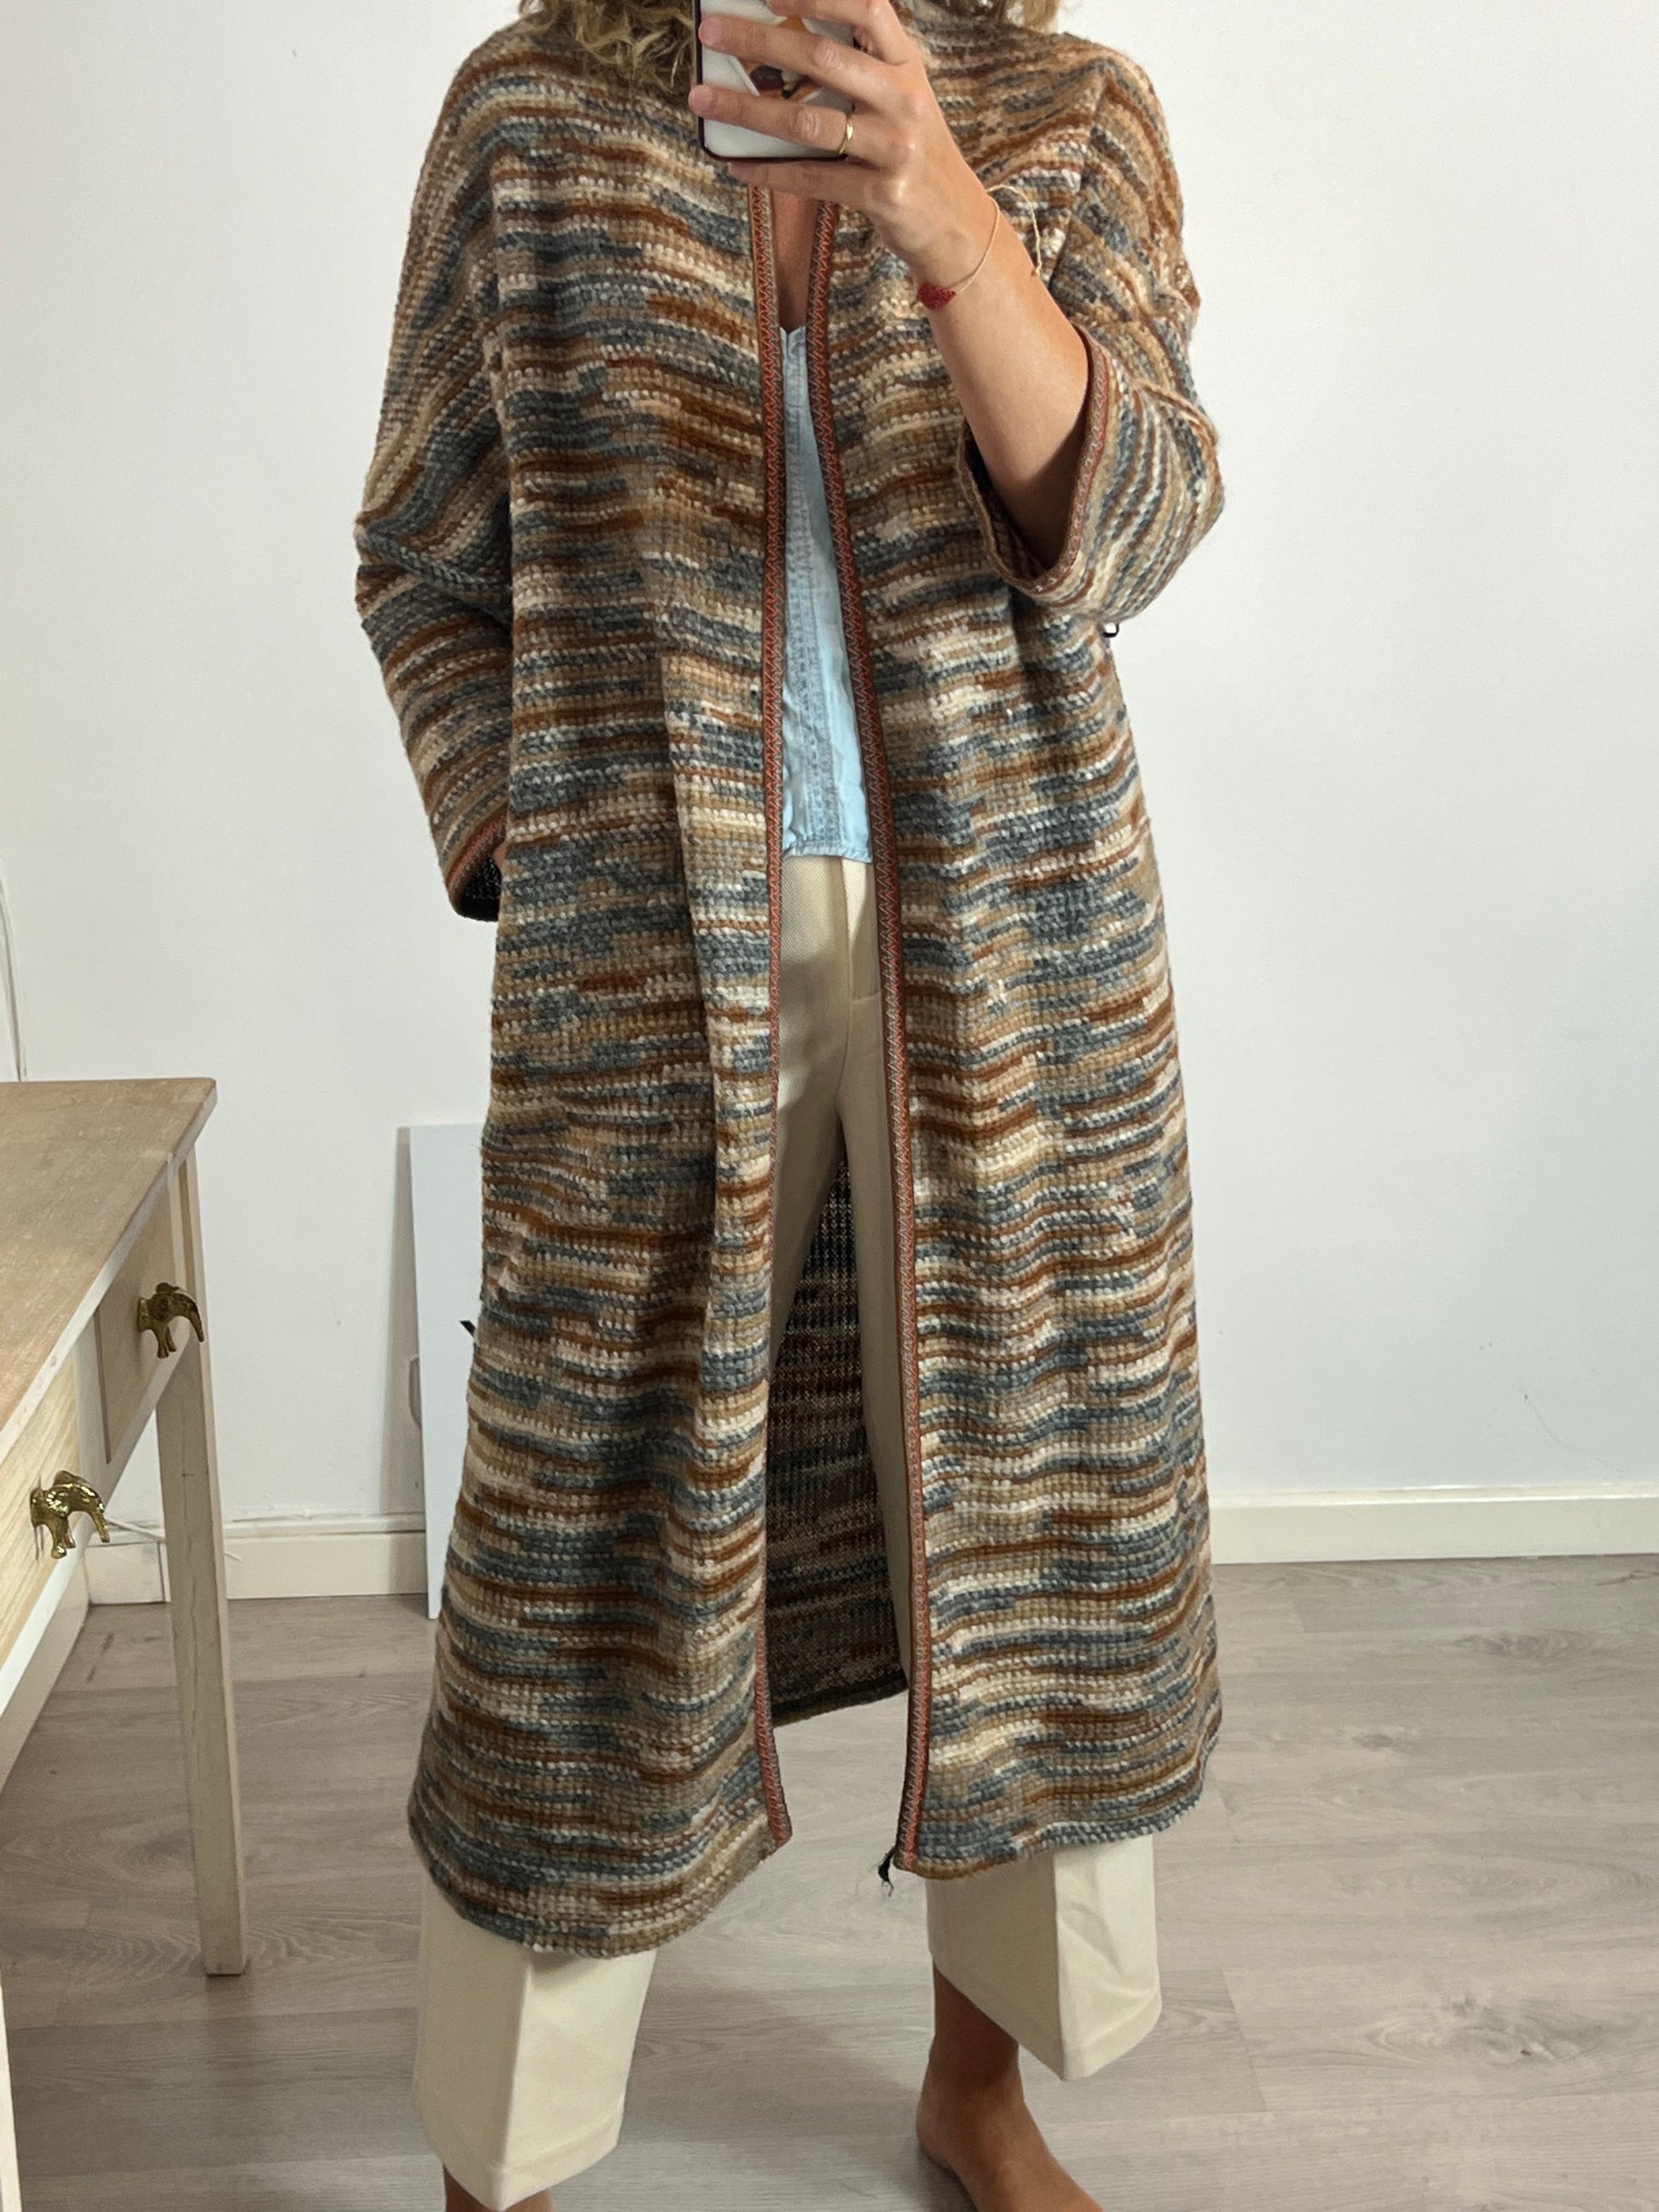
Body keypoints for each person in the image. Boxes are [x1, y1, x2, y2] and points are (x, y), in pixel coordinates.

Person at [353, 0, 1226, 2206]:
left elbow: (1137, 524)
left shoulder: (1063, 115)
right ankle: (498, 2161)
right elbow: (424, 556)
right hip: (652, 973)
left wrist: (943, 207)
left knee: (1016, 1529)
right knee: (579, 1559)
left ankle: (976, 2087)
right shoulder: (532, 117)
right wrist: (534, 850)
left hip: (1008, 964)